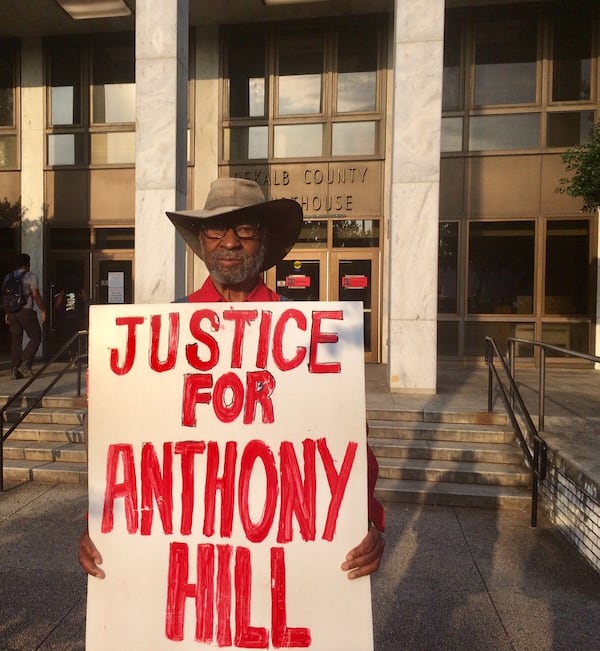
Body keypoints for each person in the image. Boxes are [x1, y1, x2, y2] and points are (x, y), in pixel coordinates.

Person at [78, 177, 385, 581]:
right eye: (216, 228)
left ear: (263, 238)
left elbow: (345, 446)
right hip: (187, 568)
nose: (229, 242)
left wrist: (370, 523)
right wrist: (102, 523)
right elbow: (131, 452)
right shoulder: (161, 334)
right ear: (201, 239)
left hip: (282, 563)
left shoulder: (311, 334)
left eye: (245, 229)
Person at [2, 253, 47, 379]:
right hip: (25, 312)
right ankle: (25, 365)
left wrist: (7, 312)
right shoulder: (31, 276)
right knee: (36, 337)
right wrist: (43, 309)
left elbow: (6, 296)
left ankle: (14, 369)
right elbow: (35, 294)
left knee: (16, 340)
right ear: (28, 263)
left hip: (12, 313)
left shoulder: (8, 276)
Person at [53, 274, 87, 360]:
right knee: (76, 336)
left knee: (66, 336)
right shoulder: (80, 290)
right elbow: (85, 301)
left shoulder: (63, 291)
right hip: (77, 317)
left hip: (66, 317)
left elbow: (57, 305)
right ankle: (74, 354)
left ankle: (66, 355)